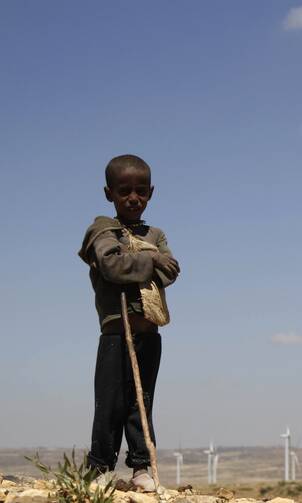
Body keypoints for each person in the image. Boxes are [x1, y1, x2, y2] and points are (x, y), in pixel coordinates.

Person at [79, 154, 180, 491]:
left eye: (141, 191)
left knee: (141, 402)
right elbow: (111, 266)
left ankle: (141, 468)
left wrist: (135, 260)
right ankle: (100, 468)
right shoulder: (102, 230)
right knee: (109, 403)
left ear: (151, 192)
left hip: (148, 334)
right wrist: (149, 259)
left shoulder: (156, 233)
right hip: (114, 333)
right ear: (110, 194)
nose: (133, 198)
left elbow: (171, 270)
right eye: (125, 191)